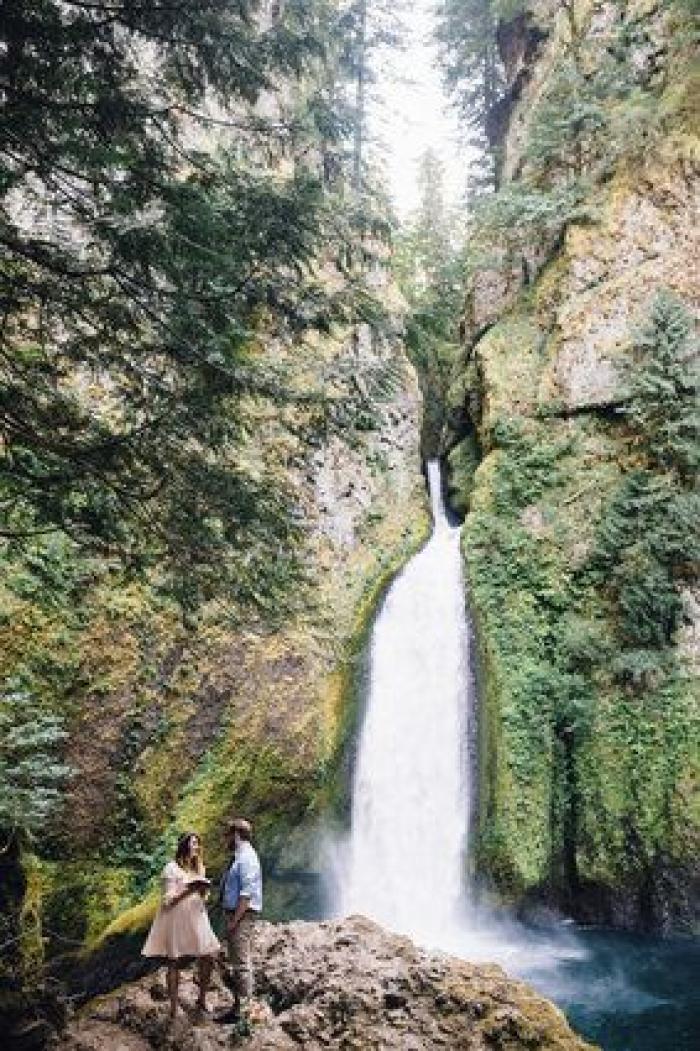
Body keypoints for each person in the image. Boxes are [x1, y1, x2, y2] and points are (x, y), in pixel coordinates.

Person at [142, 831, 220, 1018]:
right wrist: (189, 890)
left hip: (197, 916)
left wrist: (202, 890)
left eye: (198, 844)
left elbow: (203, 897)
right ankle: (174, 1008)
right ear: (184, 845)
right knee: (174, 962)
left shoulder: (199, 867)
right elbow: (168, 900)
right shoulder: (171, 868)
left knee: (208, 956)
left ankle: (201, 999)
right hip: (176, 918)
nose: (197, 847)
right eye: (194, 843)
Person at [215, 817, 263, 1023]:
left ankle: (244, 1012)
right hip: (236, 914)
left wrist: (234, 920)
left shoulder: (247, 858)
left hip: (242, 915)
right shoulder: (239, 856)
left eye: (227, 835)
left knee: (242, 963)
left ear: (236, 835)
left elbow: (247, 894)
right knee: (236, 961)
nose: (224, 840)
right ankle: (239, 1007)